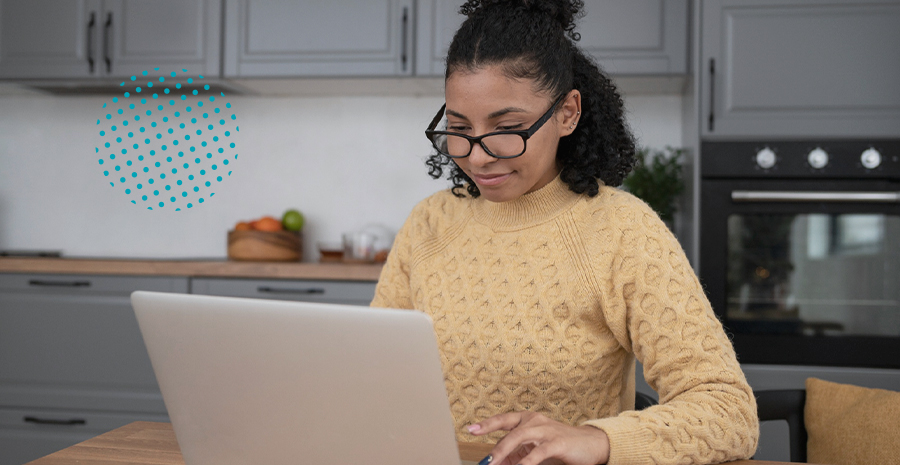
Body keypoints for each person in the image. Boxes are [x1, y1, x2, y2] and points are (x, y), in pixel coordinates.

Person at [370, 1, 759, 464]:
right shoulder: (429, 222)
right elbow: (374, 370)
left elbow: (728, 413)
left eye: (507, 128)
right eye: (459, 129)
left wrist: (600, 439)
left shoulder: (622, 230)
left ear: (567, 113)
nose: (476, 157)